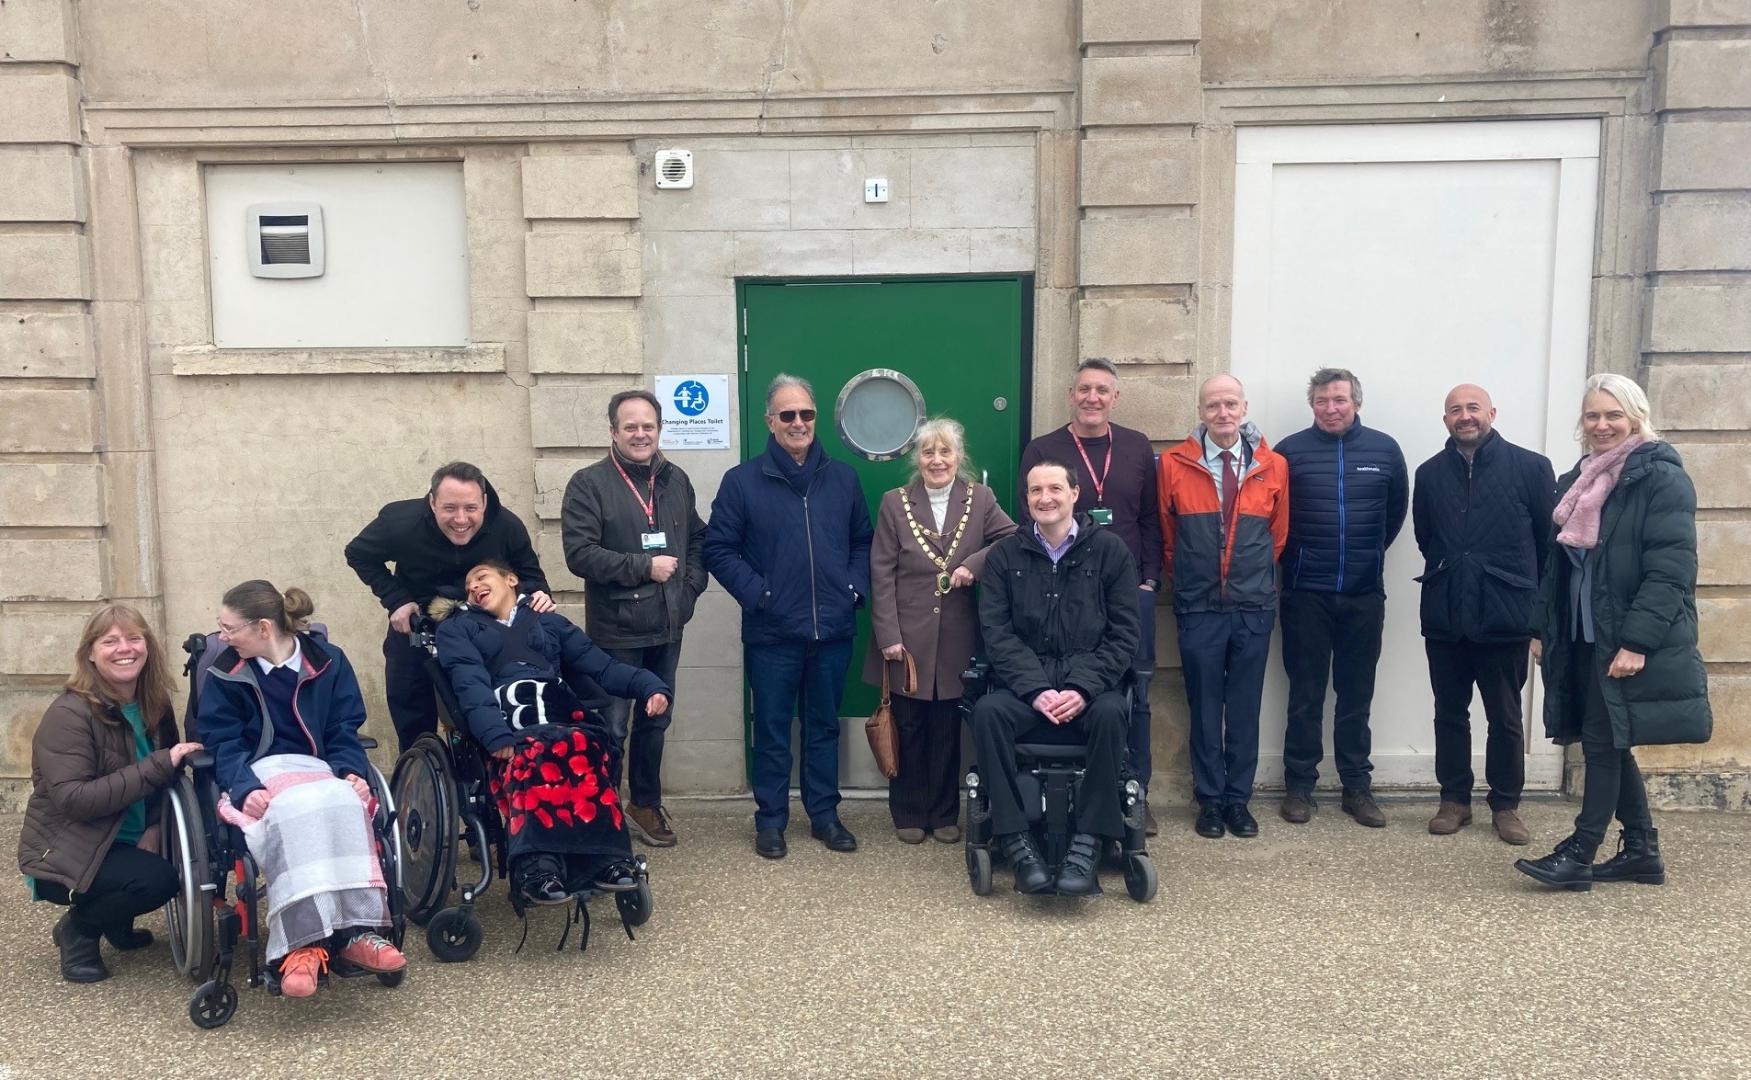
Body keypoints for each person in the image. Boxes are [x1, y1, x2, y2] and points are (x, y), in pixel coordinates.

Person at [1515, 374, 1712, 890]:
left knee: (1602, 744)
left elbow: (1671, 570)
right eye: (1593, 416)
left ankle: (1580, 852)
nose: (1602, 426)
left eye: (1613, 415)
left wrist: (1637, 642)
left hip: (1623, 637)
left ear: (1635, 417)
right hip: (1582, 632)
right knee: (1611, 742)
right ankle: (1641, 852)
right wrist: (1542, 628)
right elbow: (1556, 568)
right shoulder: (1576, 480)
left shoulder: (1661, 478)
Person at [197, 581, 406, 998]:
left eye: (228, 629)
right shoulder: (226, 672)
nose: (222, 638)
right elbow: (222, 742)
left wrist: (351, 771)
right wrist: (244, 788)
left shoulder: (328, 661)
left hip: (319, 768)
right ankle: (301, 946)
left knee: (345, 800)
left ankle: (356, 933)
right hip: (262, 771)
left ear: (262, 628)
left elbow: (343, 728)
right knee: (296, 809)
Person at [703, 374, 873, 859]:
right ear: (770, 421)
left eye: (806, 414)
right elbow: (718, 548)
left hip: (833, 629)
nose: (798, 423)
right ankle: (771, 821)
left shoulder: (842, 478)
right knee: (773, 728)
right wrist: (761, 595)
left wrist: (854, 588)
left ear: (816, 418)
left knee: (823, 727)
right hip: (773, 631)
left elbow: (863, 540)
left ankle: (824, 816)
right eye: (788, 414)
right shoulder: (742, 482)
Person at [435, 560, 670, 903]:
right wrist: (495, 735)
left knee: (587, 746)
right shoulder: (459, 628)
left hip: (561, 713)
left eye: (481, 577)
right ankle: (537, 866)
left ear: (511, 580)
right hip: (510, 722)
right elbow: (469, 684)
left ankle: (607, 859)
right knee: (536, 755)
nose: (474, 587)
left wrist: (651, 686)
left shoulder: (549, 622)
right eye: (469, 585)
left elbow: (602, 667)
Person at [971, 461, 1140, 895]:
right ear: (1025, 499)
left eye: (1054, 488)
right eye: (1034, 490)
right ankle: (1015, 839)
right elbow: (998, 633)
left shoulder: (1111, 552)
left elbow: (1124, 635)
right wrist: (1037, 689)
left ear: (1075, 493)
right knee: (988, 712)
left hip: (1089, 689)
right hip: (1028, 691)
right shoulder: (1005, 555)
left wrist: (1082, 688)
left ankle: (1089, 842)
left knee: (1111, 712)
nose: (1045, 498)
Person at [19, 604, 203, 983]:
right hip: (69, 849)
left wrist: (153, 826)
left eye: (134, 638)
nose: (125, 648)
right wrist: (156, 764)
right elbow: (75, 799)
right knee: (158, 880)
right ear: (90, 652)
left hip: (126, 837)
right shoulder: (69, 714)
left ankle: (114, 919)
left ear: (147, 646)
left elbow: (164, 781)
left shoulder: (154, 703)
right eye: (110, 641)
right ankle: (79, 931)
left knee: (171, 868)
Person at [1018, 358, 1164, 834]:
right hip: (1066, 583)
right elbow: (1028, 519)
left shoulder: (1138, 447)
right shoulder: (1044, 447)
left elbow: (1150, 519)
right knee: (1064, 676)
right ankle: (1056, 787)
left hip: (1125, 587)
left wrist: (1149, 579)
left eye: (1102, 390)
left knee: (1134, 693)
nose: (1093, 398)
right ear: (1071, 394)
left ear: (1115, 398)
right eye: (1084, 389)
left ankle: (1135, 791)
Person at [561, 389, 708, 849]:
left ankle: (644, 803)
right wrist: (643, 567)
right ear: (614, 432)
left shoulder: (675, 480)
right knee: (612, 727)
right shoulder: (588, 483)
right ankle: (601, 812)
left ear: (659, 429)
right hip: (616, 633)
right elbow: (579, 554)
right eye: (631, 427)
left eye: (648, 425)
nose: (640, 434)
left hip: (667, 626)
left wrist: (689, 588)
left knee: (655, 722)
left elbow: (699, 539)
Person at [1413, 384, 1556, 845]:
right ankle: (1454, 800)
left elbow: (1546, 549)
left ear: (1492, 412)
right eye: (1455, 409)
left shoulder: (1532, 468)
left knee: (1506, 717)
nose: (1465, 416)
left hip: (1506, 615)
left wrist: (1538, 621)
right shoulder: (1430, 473)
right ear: (1445, 419)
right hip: (1446, 614)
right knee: (1448, 713)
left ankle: (1506, 805)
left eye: (1473, 407)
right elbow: (1425, 537)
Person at [864, 418, 1016, 844]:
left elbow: (1013, 538)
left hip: (958, 634)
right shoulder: (894, 503)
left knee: (949, 727)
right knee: (909, 726)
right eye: (928, 452)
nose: (937, 460)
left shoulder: (980, 498)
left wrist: (975, 564)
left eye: (945, 452)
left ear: (958, 457)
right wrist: (887, 634)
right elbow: (881, 572)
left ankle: (946, 813)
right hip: (906, 637)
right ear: (917, 458)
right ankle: (909, 812)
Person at [1274, 367, 1408, 829]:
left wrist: (1364, 559)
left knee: (1356, 696)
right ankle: (1300, 787)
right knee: (1305, 695)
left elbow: (1393, 518)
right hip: (1304, 594)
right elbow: (1276, 520)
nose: (1331, 408)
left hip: (1363, 594)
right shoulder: (1288, 453)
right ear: (1312, 405)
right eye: (1322, 401)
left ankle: (1357, 787)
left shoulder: (1385, 450)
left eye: (1340, 400)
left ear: (1356, 402)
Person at [1156, 375, 1288, 840]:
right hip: (1199, 607)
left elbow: (1278, 536)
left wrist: (1247, 578)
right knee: (1206, 705)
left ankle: (1239, 801)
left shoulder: (1274, 466)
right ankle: (1209, 801)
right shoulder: (1174, 463)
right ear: (1201, 411)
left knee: (1245, 706)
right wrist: (1194, 579)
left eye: (1231, 404)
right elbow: (1168, 537)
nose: (1223, 413)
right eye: (1213, 405)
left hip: (1253, 607)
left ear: (1244, 407)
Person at [345, 461, 552, 754]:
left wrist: (537, 596)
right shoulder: (399, 522)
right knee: (412, 718)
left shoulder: (507, 526)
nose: (460, 519)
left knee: (484, 716)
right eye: (449, 508)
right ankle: (420, 784)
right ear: (432, 503)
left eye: (470, 508)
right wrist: (397, 600)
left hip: (483, 635)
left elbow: (531, 578)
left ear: (484, 503)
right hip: (418, 629)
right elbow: (358, 554)